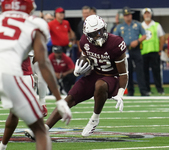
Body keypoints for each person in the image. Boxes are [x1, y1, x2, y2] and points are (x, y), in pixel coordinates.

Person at [24, 15, 128, 139]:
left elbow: (123, 73)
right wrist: (80, 67)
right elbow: (86, 57)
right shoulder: (85, 41)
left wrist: (121, 93)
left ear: (105, 28)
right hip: (95, 74)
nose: (98, 36)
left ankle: (94, 119)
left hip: (112, 77)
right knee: (69, 99)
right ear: (87, 35)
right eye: (94, 34)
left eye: (99, 32)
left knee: (100, 85)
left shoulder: (116, 43)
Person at [0, 0, 72, 150]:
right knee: (40, 130)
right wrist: (58, 99)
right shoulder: (34, 24)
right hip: (11, 76)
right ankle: (2, 146)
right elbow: (42, 64)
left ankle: (2, 147)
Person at [113, 6, 149, 96]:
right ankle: (130, 91)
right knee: (128, 71)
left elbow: (144, 35)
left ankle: (143, 90)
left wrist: (137, 41)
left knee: (140, 70)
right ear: (123, 17)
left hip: (136, 49)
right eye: (125, 15)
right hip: (125, 50)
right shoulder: (119, 27)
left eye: (128, 15)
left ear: (131, 15)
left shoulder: (138, 24)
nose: (127, 17)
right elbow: (114, 38)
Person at [141, 8, 165, 95]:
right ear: (143, 15)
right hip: (143, 52)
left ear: (151, 15)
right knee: (145, 72)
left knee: (156, 71)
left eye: (148, 13)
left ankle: (160, 89)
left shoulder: (156, 25)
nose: (147, 15)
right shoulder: (141, 25)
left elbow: (162, 37)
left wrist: (160, 49)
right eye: (145, 14)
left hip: (154, 52)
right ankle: (147, 89)